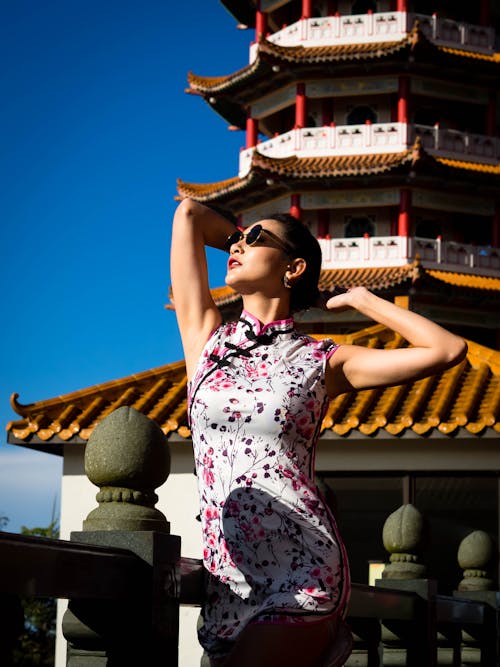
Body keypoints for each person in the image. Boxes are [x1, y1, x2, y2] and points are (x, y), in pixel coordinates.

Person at [170, 198, 467, 667]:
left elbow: (447, 349)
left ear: (295, 267)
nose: (238, 246)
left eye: (255, 239)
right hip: (227, 579)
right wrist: (241, 237)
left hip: (301, 571)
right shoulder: (206, 340)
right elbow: (189, 213)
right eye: (235, 240)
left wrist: (366, 301)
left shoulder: (322, 360)